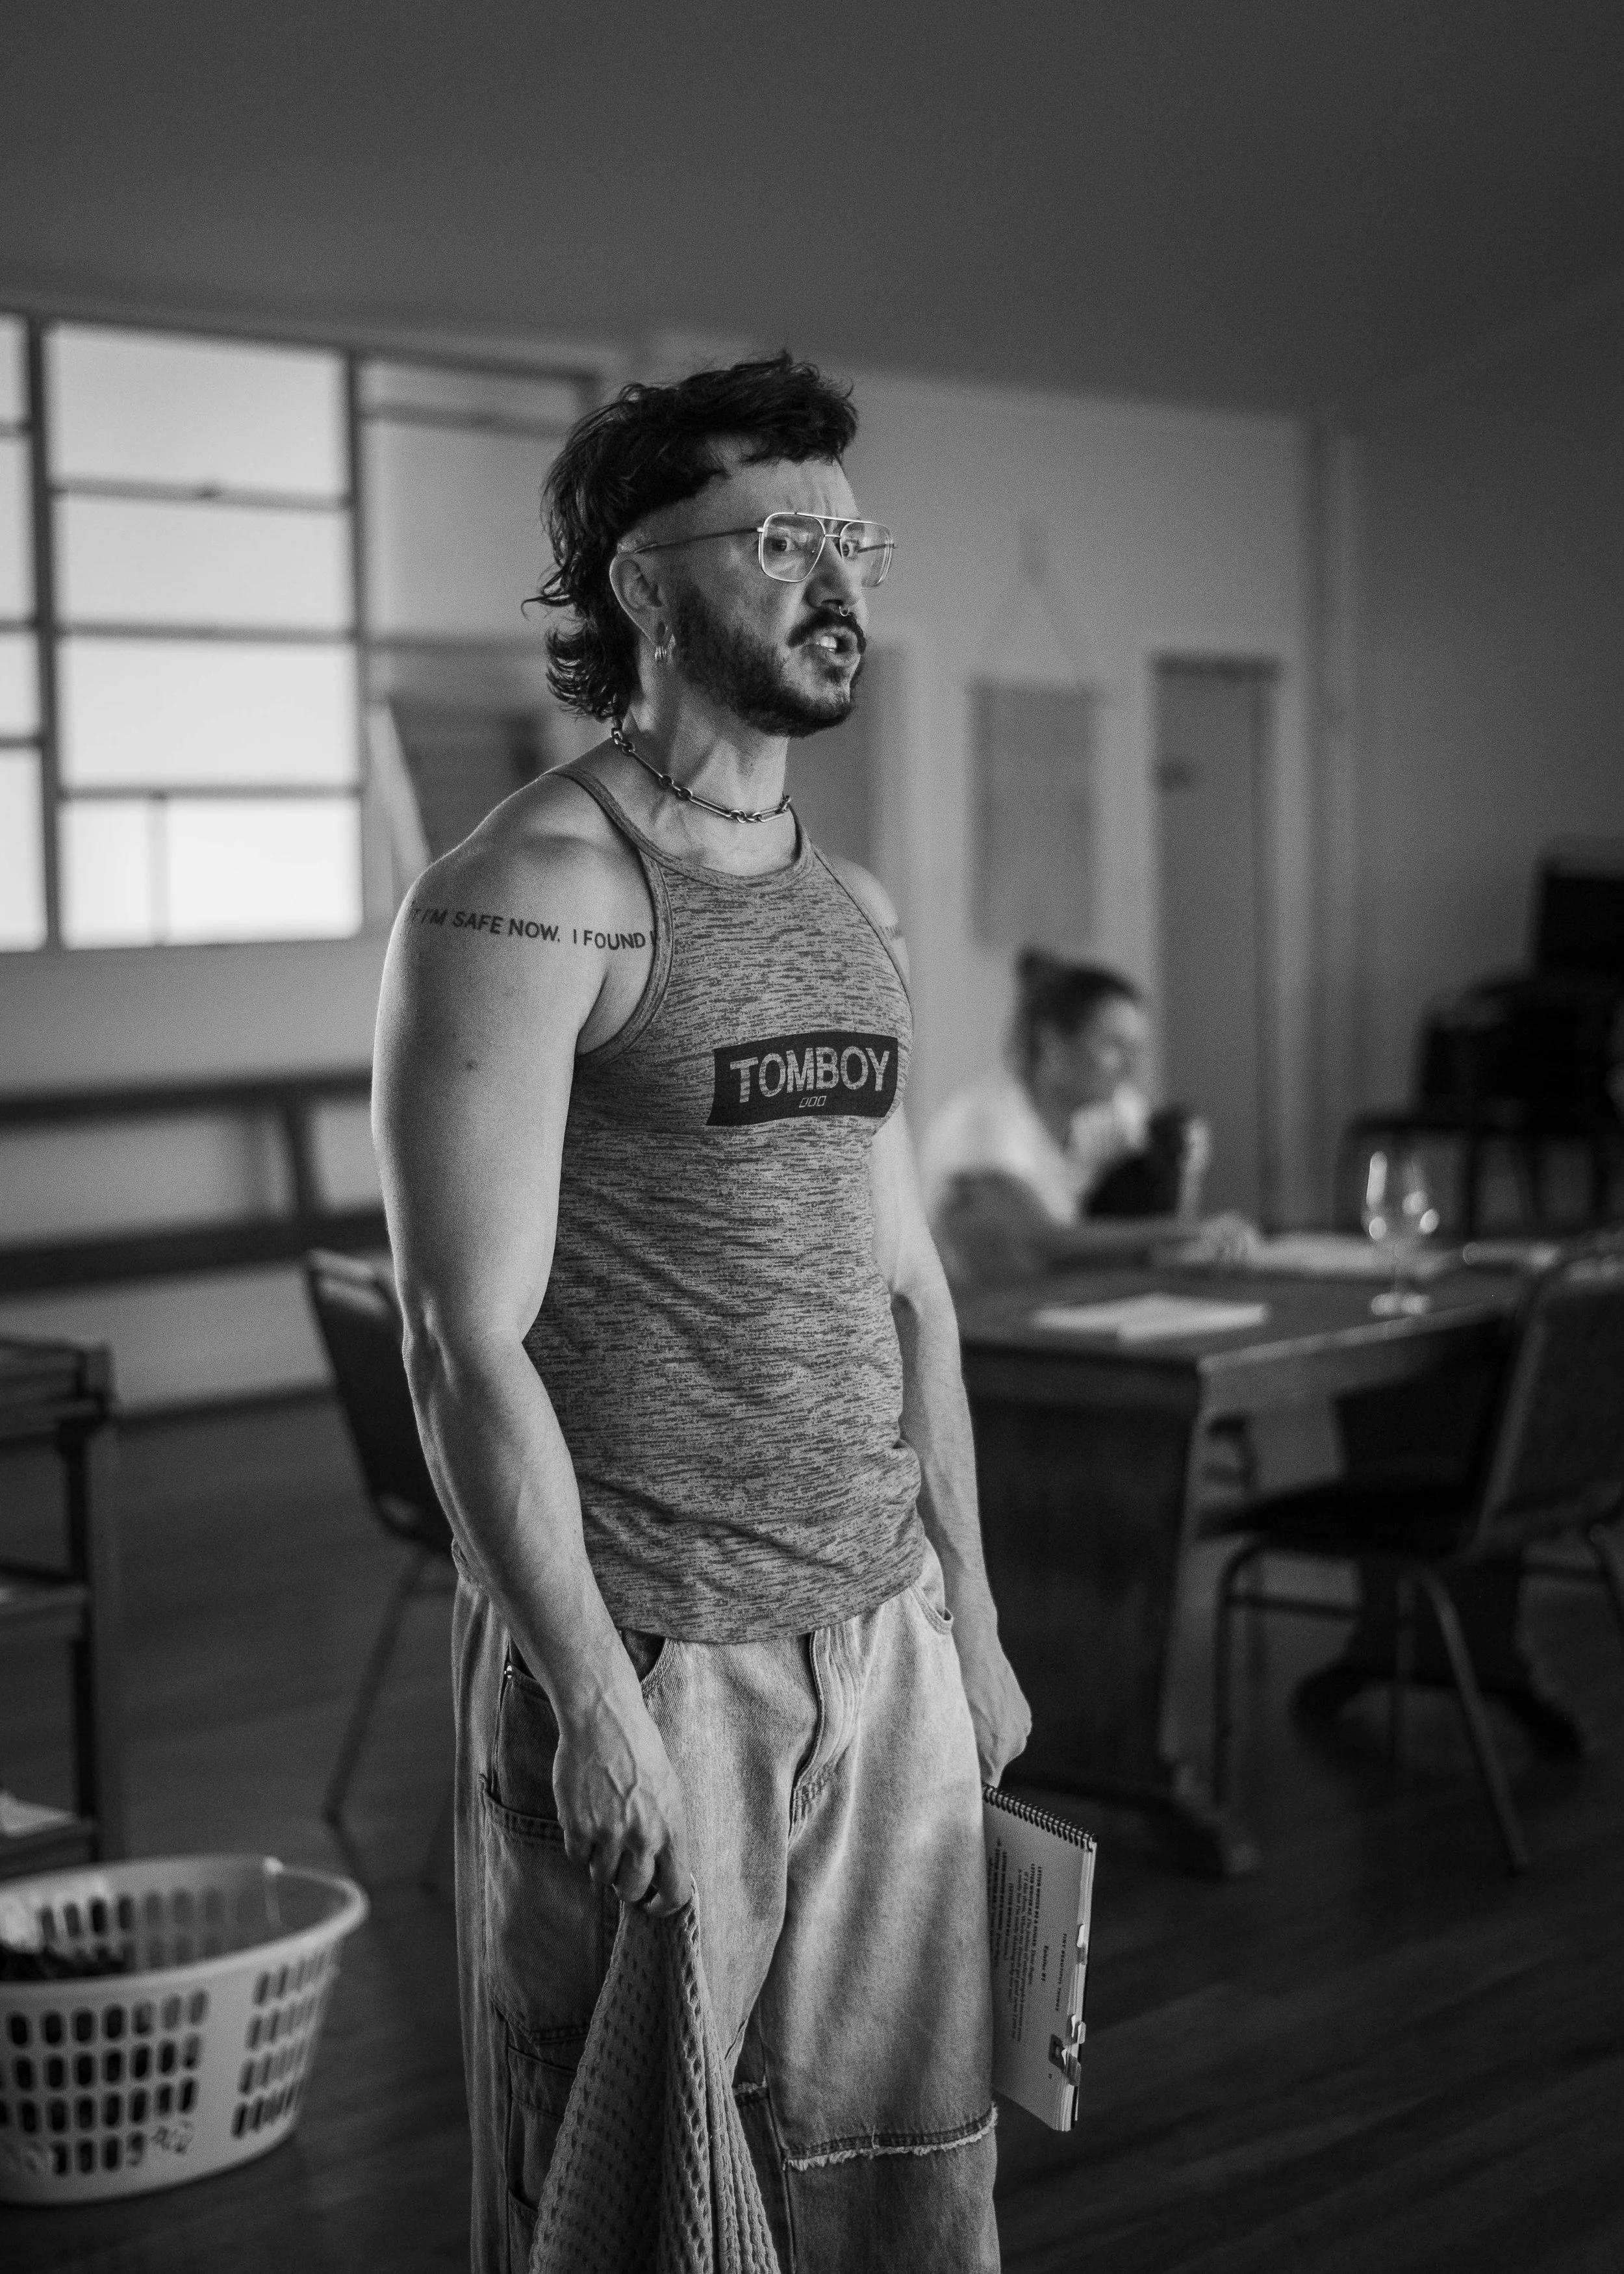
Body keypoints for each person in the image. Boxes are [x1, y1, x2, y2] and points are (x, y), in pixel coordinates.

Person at [372, 353, 1029, 2273]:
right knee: (628, 2198)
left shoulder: (863, 907)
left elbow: (905, 1281)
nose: (836, 582)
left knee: (906, 2163)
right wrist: (589, 1700)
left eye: (851, 538)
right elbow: (453, 1335)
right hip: (660, 1655)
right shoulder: (524, 897)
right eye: (779, 538)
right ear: (642, 584)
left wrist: (964, 1611)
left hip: (882, 1637)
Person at [920, 951, 1249, 1288]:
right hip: (977, 1322)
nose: (1131, 1067)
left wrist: (1186, 1150)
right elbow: (1042, 1243)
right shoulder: (983, 1118)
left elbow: (1180, 1151)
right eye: (1113, 1046)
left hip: (1059, 1302)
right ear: (1051, 1045)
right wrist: (1188, 1231)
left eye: (1136, 1049)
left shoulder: (1109, 1112)